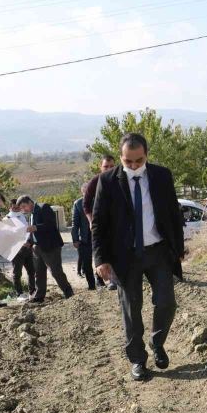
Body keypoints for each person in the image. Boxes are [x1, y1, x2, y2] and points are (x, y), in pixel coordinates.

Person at [92, 133, 185, 382]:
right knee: (131, 310)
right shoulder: (108, 181)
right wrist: (100, 259)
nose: (133, 166)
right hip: (125, 257)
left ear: (146, 156)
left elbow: (173, 213)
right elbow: (99, 223)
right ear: (121, 157)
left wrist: (178, 248)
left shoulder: (161, 176)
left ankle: (157, 343)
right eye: (127, 161)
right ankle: (137, 360)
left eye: (138, 161)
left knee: (166, 302)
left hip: (158, 251)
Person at [16, 195, 74, 303]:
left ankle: (68, 292)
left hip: (50, 246)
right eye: (22, 209)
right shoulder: (31, 214)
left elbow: (51, 225)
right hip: (37, 248)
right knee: (39, 273)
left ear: (29, 202)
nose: (24, 210)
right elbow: (34, 232)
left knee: (56, 271)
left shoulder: (44, 207)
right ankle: (39, 296)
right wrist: (29, 242)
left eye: (24, 207)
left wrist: (36, 227)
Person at [84, 154, 116, 289]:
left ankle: (115, 279)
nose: (108, 169)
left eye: (111, 166)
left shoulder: (120, 180)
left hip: (116, 222)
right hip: (100, 223)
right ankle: (104, 278)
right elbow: (85, 205)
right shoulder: (95, 182)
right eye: (106, 166)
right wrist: (91, 221)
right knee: (102, 250)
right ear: (100, 167)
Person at [7, 199, 35, 298]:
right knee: (17, 273)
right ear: (10, 207)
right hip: (16, 251)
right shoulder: (8, 219)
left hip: (28, 248)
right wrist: (22, 243)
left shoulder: (23, 216)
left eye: (17, 207)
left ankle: (32, 291)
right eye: (14, 208)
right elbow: (9, 236)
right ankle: (19, 293)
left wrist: (30, 242)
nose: (16, 209)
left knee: (31, 271)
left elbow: (28, 231)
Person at [71, 184, 96, 291]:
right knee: (86, 263)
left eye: (89, 191)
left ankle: (100, 280)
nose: (88, 193)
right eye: (85, 192)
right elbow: (75, 223)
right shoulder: (78, 203)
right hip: (85, 238)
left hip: (99, 236)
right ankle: (91, 285)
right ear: (82, 192)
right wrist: (75, 239)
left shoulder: (99, 199)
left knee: (101, 259)